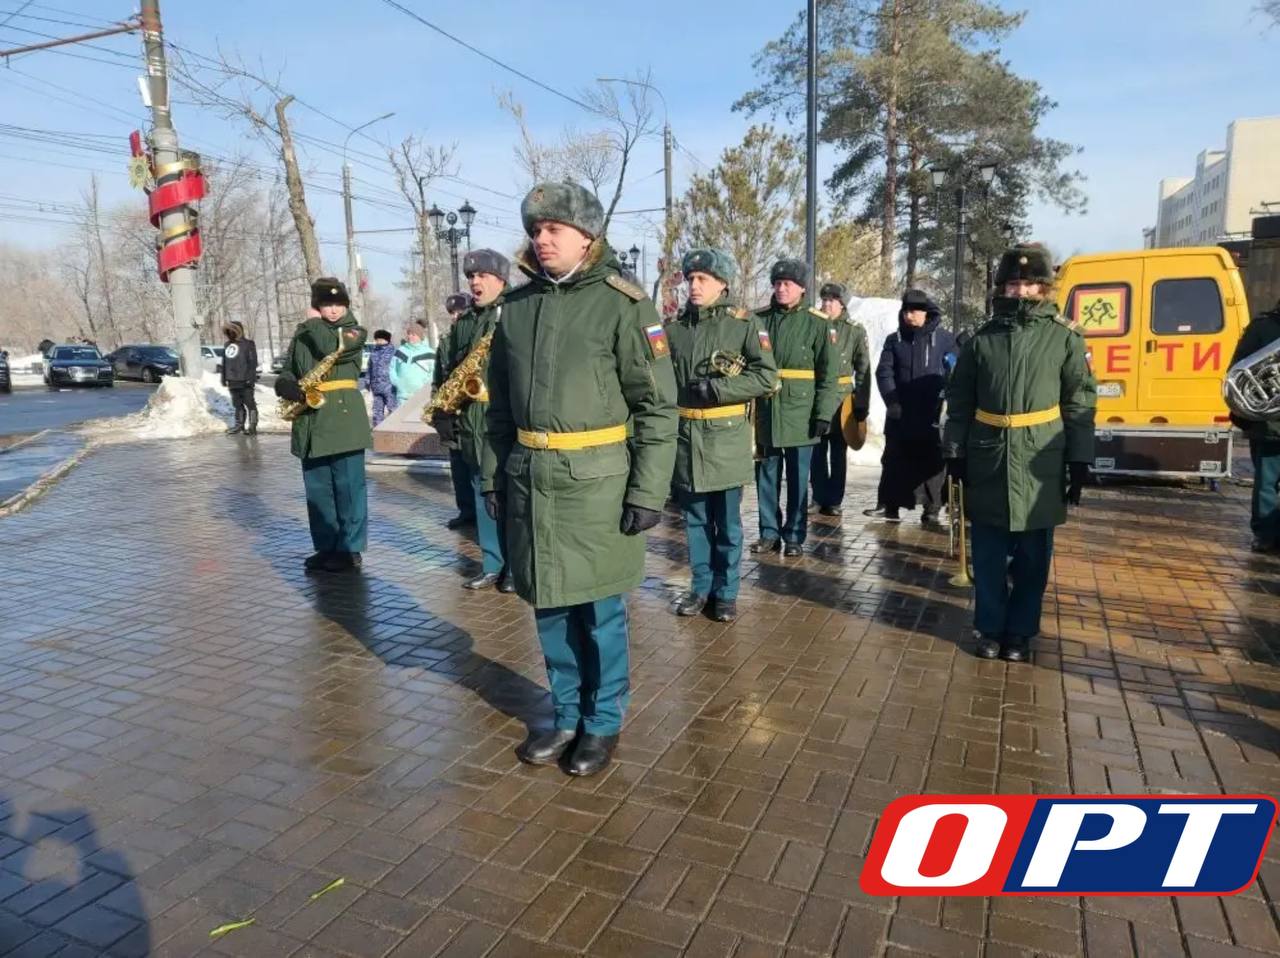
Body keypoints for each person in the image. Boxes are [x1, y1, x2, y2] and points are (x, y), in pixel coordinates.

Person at [482, 181, 677, 776]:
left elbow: (657, 406)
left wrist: (647, 490)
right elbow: (498, 409)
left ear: (587, 236)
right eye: (535, 230)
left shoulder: (623, 304)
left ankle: (602, 723)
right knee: (548, 605)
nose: (541, 240)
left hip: (598, 483)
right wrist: (493, 477)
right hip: (531, 480)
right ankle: (566, 714)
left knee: (598, 612)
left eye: (553, 230)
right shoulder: (515, 309)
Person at [943, 244, 1096, 662]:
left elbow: (1080, 401)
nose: (1021, 290)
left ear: (1044, 288)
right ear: (1001, 287)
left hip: (1040, 461)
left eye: (1029, 283)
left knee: (1032, 558)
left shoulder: (1064, 337)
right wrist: (954, 452)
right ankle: (989, 628)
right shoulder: (981, 340)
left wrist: (1080, 458)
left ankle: (1021, 632)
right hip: (988, 456)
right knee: (989, 555)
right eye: (1013, 283)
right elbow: (959, 400)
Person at [667, 248, 777, 623]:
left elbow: (767, 377)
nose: (694, 286)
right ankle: (700, 588)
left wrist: (718, 391)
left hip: (726, 439)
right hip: (686, 439)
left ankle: (727, 592)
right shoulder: (675, 328)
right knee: (695, 523)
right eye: (690, 279)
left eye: (703, 280)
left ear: (723, 284)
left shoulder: (743, 324)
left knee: (727, 524)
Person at [274, 278, 372, 573]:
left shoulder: (353, 331)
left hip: (342, 419)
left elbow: (330, 345)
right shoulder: (304, 333)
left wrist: (313, 323)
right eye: (326, 305)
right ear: (317, 305)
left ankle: (349, 548)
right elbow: (291, 367)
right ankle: (326, 545)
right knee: (318, 490)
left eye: (338, 304)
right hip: (311, 419)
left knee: (347, 487)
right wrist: (285, 385)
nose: (332, 310)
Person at [433, 249, 514, 592]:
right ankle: (493, 563)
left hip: (505, 418)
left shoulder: (515, 313)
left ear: (501, 279)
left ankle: (516, 566)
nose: (475, 282)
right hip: (471, 418)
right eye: (471, 277)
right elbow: (450, 370)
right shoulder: (465, 323)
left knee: (509, 497)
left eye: (482, 276)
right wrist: (443, 411)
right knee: (484, 495)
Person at [751, 259, 840, 557]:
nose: (781, 289)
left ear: (802, 288)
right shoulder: (758, 320)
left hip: (801, 414)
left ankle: (794, 535)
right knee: (766, 475)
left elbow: (829, 375)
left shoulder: (818, 323)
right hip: (766, 410)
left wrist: (823, 414)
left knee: (799, 478)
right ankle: (768, 532)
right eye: (777, 283)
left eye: (788, 284)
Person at [874, 289, 957, 524]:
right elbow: (884, 372)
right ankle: (889, 504)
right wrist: (892, 401)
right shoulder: (895, 339)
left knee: (932, 461)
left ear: (926, 313)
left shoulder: (944, 339)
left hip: (931, 411)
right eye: (905, 311)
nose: (908, 316)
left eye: (913, 311)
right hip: (900, 410)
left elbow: (955, 369)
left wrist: (947, 397)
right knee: (893, 458)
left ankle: (931, 509)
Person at [810, 282, 870, 517]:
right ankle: (817, 496)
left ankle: (834, 499)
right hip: (816, 394)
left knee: (838, 451)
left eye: (831, 301)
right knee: (816, 449)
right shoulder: (814, 324)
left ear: (842, 304)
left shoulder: (854, 330)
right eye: (824, 300)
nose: (826, 304)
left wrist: (861, 403)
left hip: (842, 398)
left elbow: (863, 368)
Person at [1228, 301, 1280, 552]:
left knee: (1266, 483)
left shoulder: (1261, 326)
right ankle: (1267, 535)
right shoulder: (1263, 327)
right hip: (1269, 422)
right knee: (1266, 483)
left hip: (1268, 423)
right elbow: (1237, 373)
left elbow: (1235, 368)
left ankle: (1266, 536)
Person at [437, 293, 476, 530]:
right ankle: (466, 511)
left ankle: (482, 514)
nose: (455, 316)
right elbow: (438, 375)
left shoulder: (474, 335)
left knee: (474, 465)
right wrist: (439, 408)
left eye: (459, 312)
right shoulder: (445, 341)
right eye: (452, 313)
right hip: (451, 406)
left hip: (472, 404)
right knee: (458, 466)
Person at [221, 320, 259, 436]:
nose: (230, 333)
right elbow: (225, 362)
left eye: (232, 330)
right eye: (228, 331)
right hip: (232, 380)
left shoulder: (248, 344)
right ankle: (239, 425)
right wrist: (223, 377)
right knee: (237, 404)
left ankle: (252, 426)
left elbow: (252, 363)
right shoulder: (227, 345)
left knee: (249, 403)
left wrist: (250, 378)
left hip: (245, 380)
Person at [389, 320, 434, 401]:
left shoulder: (429, 353)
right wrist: (398, 383)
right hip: (403, 396)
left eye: (413, 335)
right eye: (409, 334)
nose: (410, 337)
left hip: (421, 396)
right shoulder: (400, 351)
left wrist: (425, 386)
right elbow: (392, 369)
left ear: (420, 337)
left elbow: (433, 373)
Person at [365, 329, 398, 426]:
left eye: (380, 339)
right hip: (376, 387)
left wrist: (397, 381)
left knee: (393, 409)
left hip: (389, 386)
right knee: (377, 411)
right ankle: (377, 430)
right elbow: (369, 368)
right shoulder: (374, 352)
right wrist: (367, 381)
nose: (378, 341)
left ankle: (394, 428)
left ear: (386, 339)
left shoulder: (394, 352)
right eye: (377, 339)